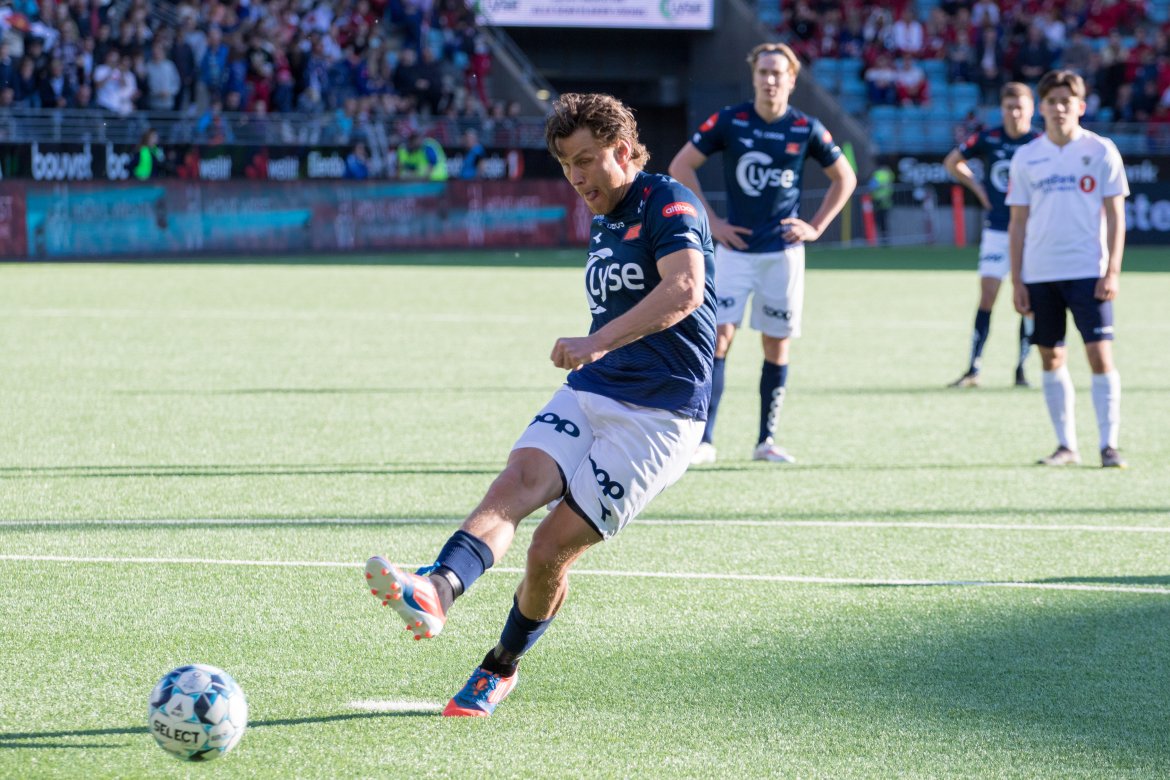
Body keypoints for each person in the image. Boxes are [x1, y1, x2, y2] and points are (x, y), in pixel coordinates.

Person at [364, 92, 716, 717]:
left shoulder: (669, 201)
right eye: (565, 165)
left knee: (549, 550)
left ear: (623, 150)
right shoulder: (605, 215)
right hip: (595, 387)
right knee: (518, 480)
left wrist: (596, 341)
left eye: (585, 160)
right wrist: (599, 353)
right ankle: (438, 589)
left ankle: (499, 667)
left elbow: (685, 288)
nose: (575, 177)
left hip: (660, 415)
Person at [668, 42, 856, 465]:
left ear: (792, 79)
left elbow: (844, 178)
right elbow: (680, 167)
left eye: (778, 73)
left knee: (775, 344)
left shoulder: (805, 127)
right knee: (717, 338)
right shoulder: (730, 120)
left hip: (783, 255)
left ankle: (765, 440)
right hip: (733, 252)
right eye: (763, 72)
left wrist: (815, 227)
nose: (770, 80)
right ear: (753, 77)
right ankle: (703, 440)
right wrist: (712, 223)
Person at [1007, 69, 1129, 469]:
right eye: (1052, 102)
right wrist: (1018, 279)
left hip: (1088, 270)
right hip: (1040, 273)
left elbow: (1116, 215)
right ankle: (1066, 446)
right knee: (1051, 357)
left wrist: (1112, 270)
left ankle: (1108, 445)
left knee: (1099, 355)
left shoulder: (1101, 150)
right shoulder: (1026, 157)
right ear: (1041, 108)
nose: (1059, 108)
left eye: (1066, 101)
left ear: (1081, 106)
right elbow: (1018, 223)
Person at [944, 82, 1041, 389]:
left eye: (1020, 107)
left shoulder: (1039, 142)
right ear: (1002, 109)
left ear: (1031, 109)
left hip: (1032, 232)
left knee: (1027, 301)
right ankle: (973, 367)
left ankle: (1022, 368)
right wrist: (978, 189)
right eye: (1009, 107)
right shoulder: (988, 137)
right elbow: (952, 162)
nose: (1014, 113)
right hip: (997, 228)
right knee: (987, 295)